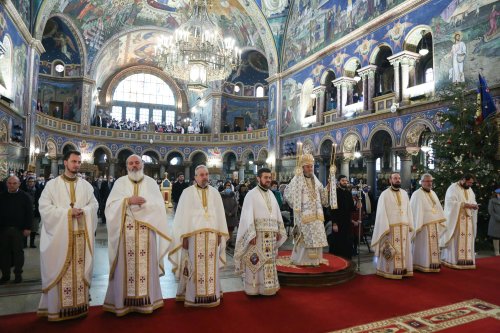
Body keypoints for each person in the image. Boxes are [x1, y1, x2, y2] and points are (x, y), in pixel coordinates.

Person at [103, 155, 171, 316]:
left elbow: (159, 208)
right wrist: (127, 201)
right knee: (123, 267)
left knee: (146, 266)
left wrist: (143, 209)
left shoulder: (151, 183)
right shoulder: (120, 183)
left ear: (142, 165)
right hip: (125, 234)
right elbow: (110, 207)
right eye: (131, 163)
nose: (134, 166)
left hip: (146, 234)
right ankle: (122, 302)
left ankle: (148, 300)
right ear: (127, 166)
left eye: (137, 163)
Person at [37, 150, 98, 321]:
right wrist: (67, 213)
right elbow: (44, 208)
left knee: (79, 272)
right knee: (60, 270)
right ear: (65, 162)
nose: (77, 165)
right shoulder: (52, 185)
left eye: (78, 162)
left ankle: (79, 306)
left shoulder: (86, 186)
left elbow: (94, 205)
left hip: (80, 237)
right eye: (73, 161)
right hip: (59, 238)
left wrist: (84, 211)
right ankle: (57, 309)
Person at [169, 165, 228, 307]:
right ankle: (193, 296)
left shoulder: (215, 193)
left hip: (212, 236)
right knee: (194, 265)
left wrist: (220, 233)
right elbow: (182, 216)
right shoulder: (187, 193)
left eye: (206, 174)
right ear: (195, 177)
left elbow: (219, 214)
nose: (205, 177)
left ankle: (212, 294)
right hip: (193, 237)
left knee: (211, 265)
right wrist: (183, 237)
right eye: (201, 175)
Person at [234, 168, 287, 296]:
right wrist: (251, 234)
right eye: (265, 177)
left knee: (269, 261)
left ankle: (269, 288)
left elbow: (276, 214)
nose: (268, 180)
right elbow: (247, 216)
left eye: (269, 177)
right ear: (258, 178)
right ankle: (254, 289)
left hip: (271, 236)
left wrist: (279, 230)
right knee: (257, 261)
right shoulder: (251, 195)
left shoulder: (271, 195)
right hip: (257, 236)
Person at [284, 153, 328, 266]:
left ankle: (316, 260)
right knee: (305, 238)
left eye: (311, 166)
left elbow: (323, 196)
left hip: (317, 216)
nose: (310, 168)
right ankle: (302, 261)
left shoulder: (316, 180)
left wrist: (328, 188)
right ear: (302, 167)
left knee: (316, 237)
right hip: (304, 215)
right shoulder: (297, 180)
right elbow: (287, 193)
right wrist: (296, 199)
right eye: (308, 166)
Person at [371, 173, 413, 279]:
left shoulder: (404, 193)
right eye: (395, 178)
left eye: (399, 178)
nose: (398, 180)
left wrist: (410, 224)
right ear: (390, 180)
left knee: (404, 249)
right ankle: (389, 271)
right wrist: (385, 227)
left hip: (404, 226)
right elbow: (381, 212)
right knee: (391, 249)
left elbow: (409, 209)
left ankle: (403, 269)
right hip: (390, 228)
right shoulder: (384, 194)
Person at [440, 174, 479, 269]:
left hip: (468, 219)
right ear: (463, 180)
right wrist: (464, 205)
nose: (470, 185)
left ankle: (467, 259)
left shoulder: (470, 189)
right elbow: (449, 203)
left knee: (468, 238)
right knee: (456, 240)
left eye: (471, 183)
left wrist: (474, 205)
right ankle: (453, 260)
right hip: (457, 220)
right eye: (469, 182)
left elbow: (473, 200)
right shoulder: (453, 188)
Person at [409, 174, 446, 272]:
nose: (430, 183)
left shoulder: (433, 193)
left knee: (433, 245)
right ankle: (421, 264)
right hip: (422, 225)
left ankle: (433, 264)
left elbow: (438, 207)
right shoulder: (416, 194)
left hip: (434, 224)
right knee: (423, 246)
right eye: (427, 181)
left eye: (431, 181)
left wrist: (437, 218)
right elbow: (414, 211)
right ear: (422, 182)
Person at [0, 176, 33, 284]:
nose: (12, 185)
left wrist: (28, 228)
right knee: (4, 253)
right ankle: (5, 275)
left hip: (19, 230)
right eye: (9, 183)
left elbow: (29, 213)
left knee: (18, 253)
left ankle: (18, 275)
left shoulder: (25, 196)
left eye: (14, 183)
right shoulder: (2, 196)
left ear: (19, 184)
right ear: (6, 184)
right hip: (3, 230)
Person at [328, 175, 356, 259]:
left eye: (346, 181)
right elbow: (332, 210)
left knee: (347, 241)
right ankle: (336, 259)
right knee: (337, 241)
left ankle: (347, 259)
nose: (345, 182)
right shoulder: (335, 193)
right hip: (338, 221)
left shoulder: (348, 193)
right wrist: (334, 223)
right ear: (339, 182)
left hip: (347, 221)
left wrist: (357, 205)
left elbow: (351, 208)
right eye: (343, 180)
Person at [220, 181, 239, 246]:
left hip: (232, 215)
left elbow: (236, 204)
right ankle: (226, 241)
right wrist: (228, 213)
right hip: (225, 215)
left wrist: (233, 212)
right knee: (225, 229)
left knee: (231, 229)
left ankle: (230, 241)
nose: (228, 186)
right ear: (225, 186)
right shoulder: (221, 194)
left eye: (229, 185)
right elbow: (221, 205)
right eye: (227, 185)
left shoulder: (233, 194)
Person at [488, 188, 500, 256]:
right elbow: (490, 211)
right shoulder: (492, 201)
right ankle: (497, 251)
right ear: (496, 194)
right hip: (495, 222)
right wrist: (498, 218)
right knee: (496, 237)